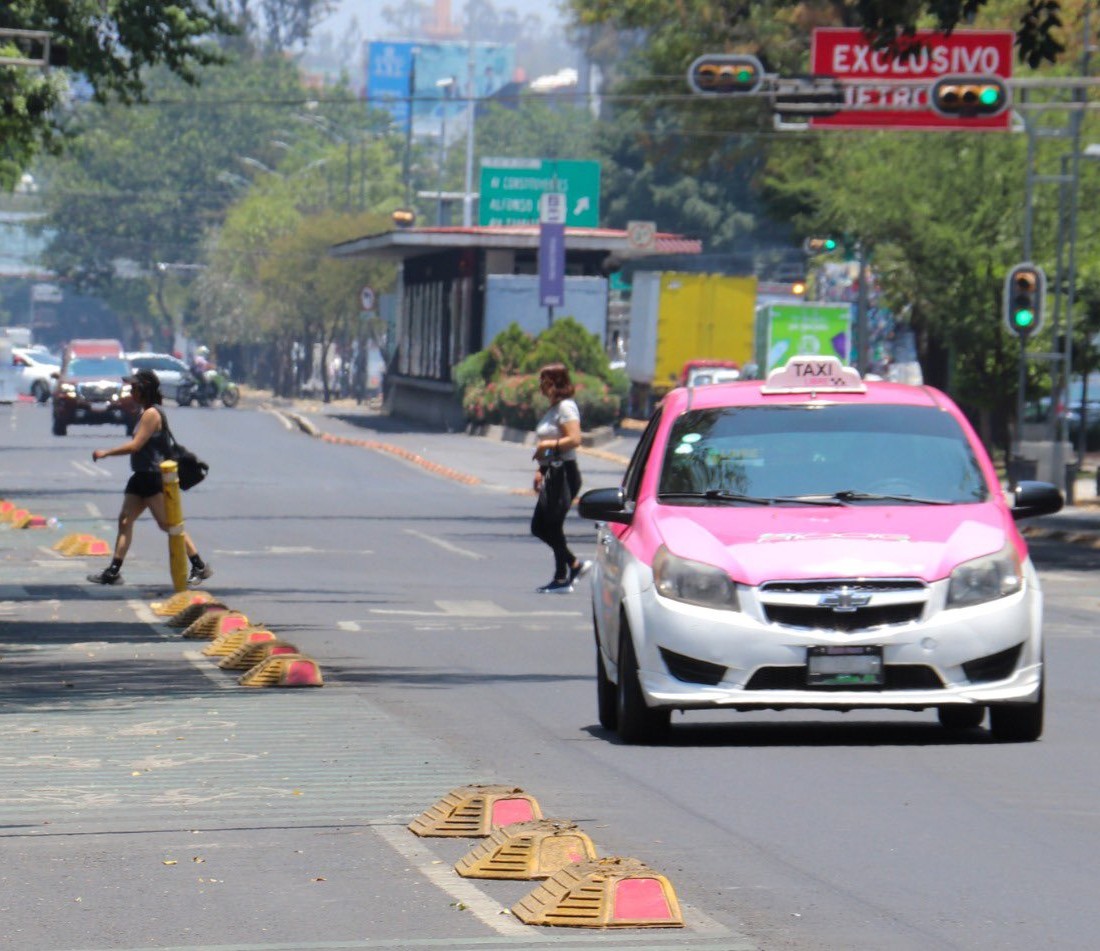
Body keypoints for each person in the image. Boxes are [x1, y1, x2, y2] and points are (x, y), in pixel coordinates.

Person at [86, 368, 213, 587]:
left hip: (153, 478)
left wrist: (106, 452)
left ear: (144, 390)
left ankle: (199, 565)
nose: (130, 392)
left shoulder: (152, 414)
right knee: (125, 520)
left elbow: (136, 445)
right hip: (140, 477)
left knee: (169, 525)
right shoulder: (144, 413)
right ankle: (113, 571)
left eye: (134, 388)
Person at [530, 363, 592, 593]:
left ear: (555, 382)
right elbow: (550, 449)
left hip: (565, 472)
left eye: (544, 380)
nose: (540, 386)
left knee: (550, 525)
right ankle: (569, 569)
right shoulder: (553, 409)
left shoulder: (566, 407)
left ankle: (564, 574)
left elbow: (574, 439)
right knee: (542, 526)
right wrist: (541, 469)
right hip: (552, 471)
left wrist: (547, 445)